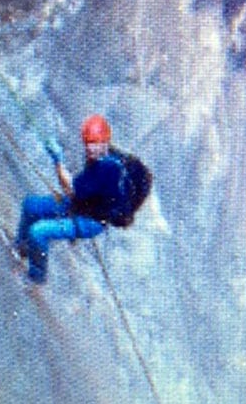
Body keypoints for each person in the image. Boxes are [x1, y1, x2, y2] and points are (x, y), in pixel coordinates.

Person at [14, 115, 152, 283]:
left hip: (90, 221)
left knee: (38, 232)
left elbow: (71, 189)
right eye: (87, 142)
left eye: (94, 143)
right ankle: (22, 248)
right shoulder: (110, 157)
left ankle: (36, 277)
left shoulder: (107, 167)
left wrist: (58, 160)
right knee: (30, 205)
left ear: (105, 142)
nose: (89, 148)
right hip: (84, 206)